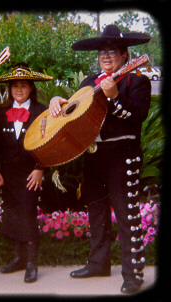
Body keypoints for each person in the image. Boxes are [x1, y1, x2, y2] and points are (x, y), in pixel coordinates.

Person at [48, 24, 151, 294]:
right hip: (94, 156)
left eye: (112, 51)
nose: (106, 56)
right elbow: (74, 111)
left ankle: (133, 274)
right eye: (102, 52)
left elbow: (138, 115)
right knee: (96, 211)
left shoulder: (138, 81)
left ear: (124, 56)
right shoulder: (87, 84)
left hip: (122, 155)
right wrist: (58, 101)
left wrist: (115, 98)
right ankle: (98, 263)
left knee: (127, 214)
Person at [0, 63, 52, 283]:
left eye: (23, 86)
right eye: (15, 86)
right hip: (8, 173)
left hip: (30, 172)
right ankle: (18, 258)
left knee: (27, 213)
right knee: (12, 212)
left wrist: (40, 168)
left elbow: (47, 144)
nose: (19, 90)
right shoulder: (1, 111)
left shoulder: (41, 111)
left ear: (31, 88)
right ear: (9, 88)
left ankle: (32, 263)